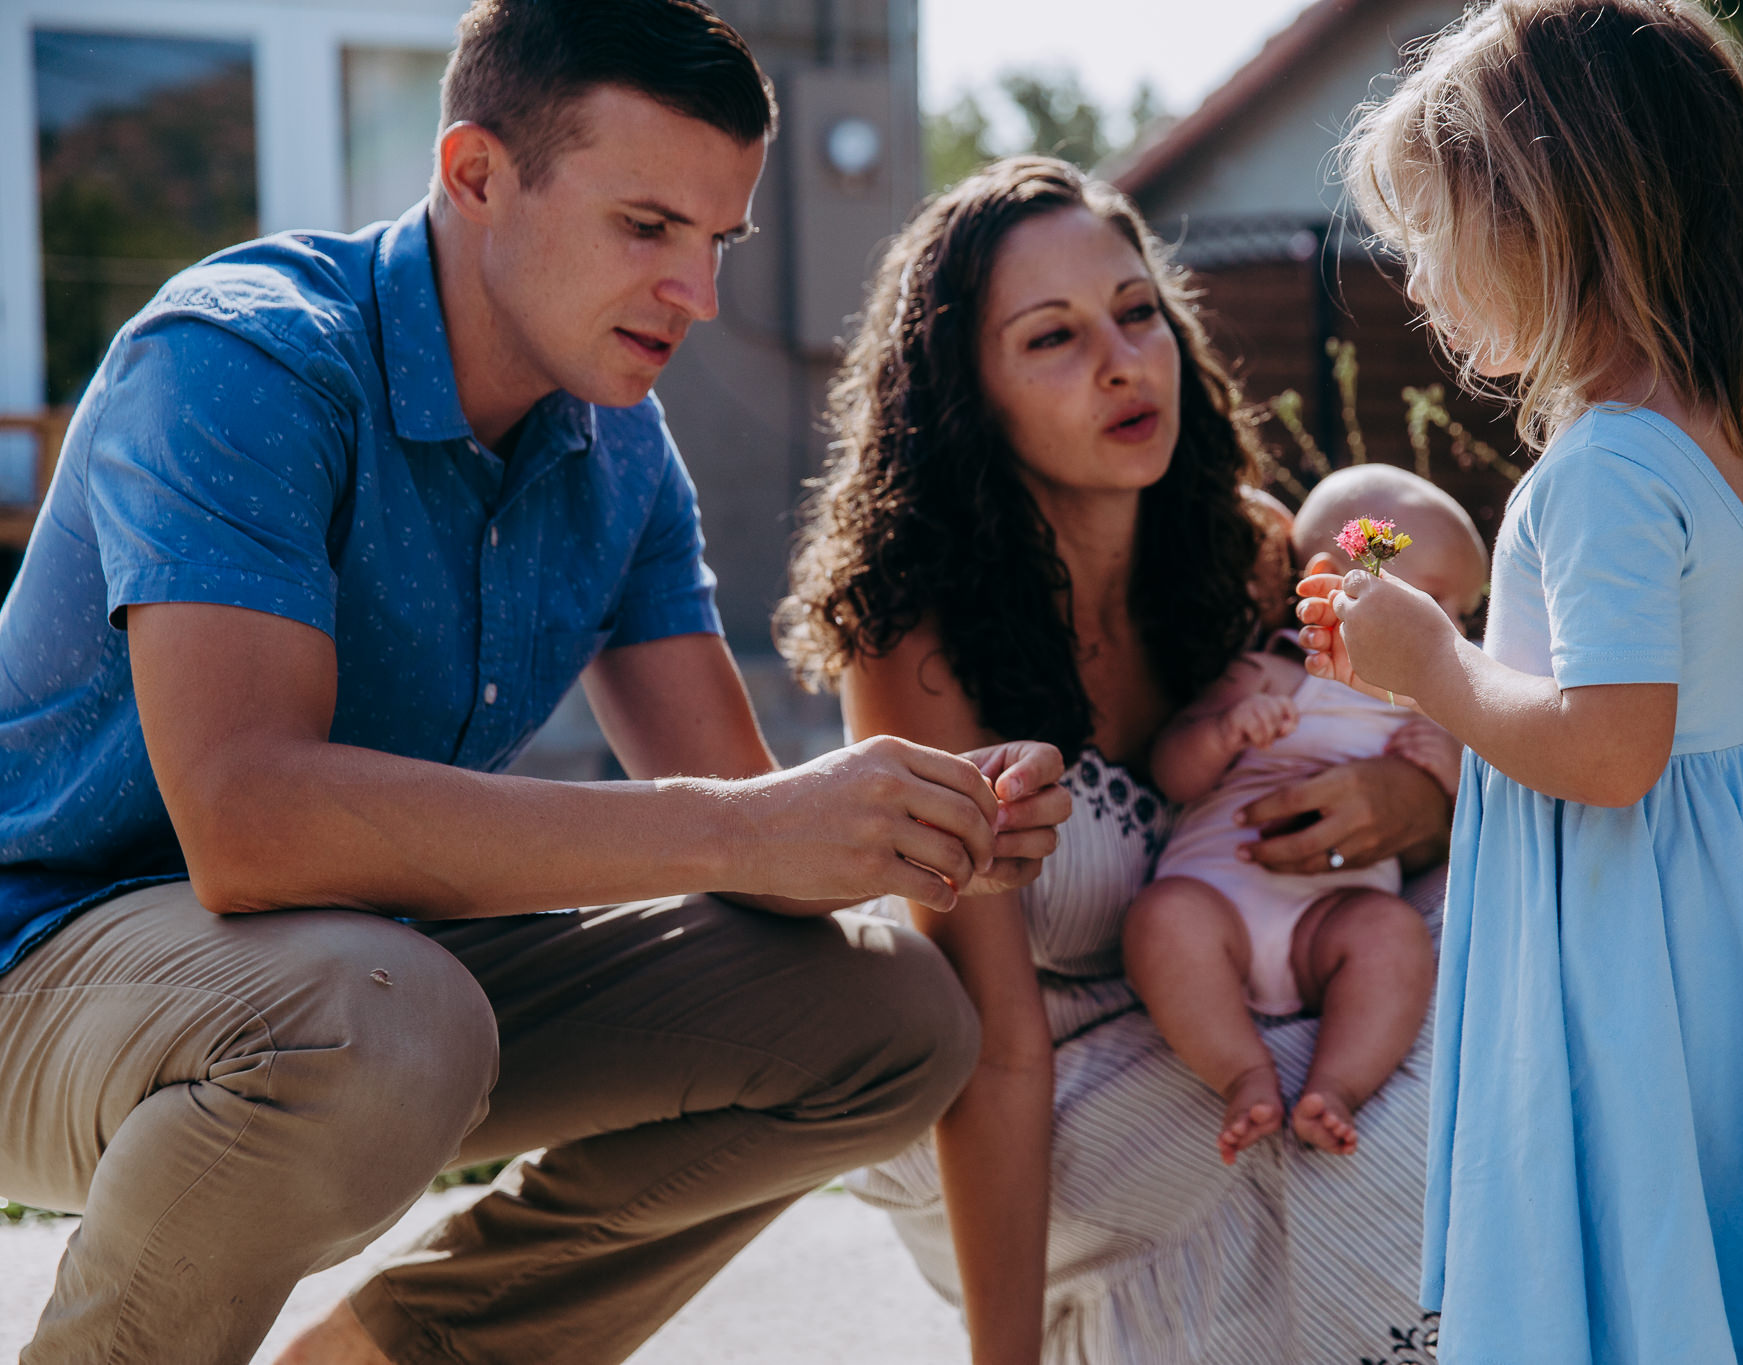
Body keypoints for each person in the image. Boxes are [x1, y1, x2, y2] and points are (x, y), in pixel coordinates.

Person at [0, 4, 1071, 1363]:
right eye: (646, 228)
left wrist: (915, 825)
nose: (700, 295)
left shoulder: (616, 445)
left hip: (357, 969)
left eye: (717, 239)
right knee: (384, 1021)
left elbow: (751, 825)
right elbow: (250, 825)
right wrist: (746, 828)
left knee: (894, 1016)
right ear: (473, 175)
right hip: (41, 965)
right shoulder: (242, 359)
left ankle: (386, 1355)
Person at [1298, 2, 1743, 1359]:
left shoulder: (1608, 469)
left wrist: (1429, 659)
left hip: (1636, 933)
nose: (1424, 279)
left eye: (1441, 232)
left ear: (1561, 220)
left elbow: (1611, 750)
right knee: (1715, 1282)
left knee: (1645, 1281)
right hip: (1718, 900)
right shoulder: (1714, 438)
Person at [777, 156, 1455, 1365]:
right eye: (1051, 338)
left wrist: (1406, 804)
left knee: (1507, 963)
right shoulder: (917, 646)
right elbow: (992, 1042)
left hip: (1241, 994)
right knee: (1377, 1123)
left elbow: (1389, 722)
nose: (1120, 361)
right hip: (1031, 1078)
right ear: (965, 393)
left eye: (1136, 313)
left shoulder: (1243, 551)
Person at [1125, 465, 1485, 1165]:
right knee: (1160, 919)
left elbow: (1479, 812)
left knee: (1393, 935)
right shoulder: (1266, 674)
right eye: (1435, 603)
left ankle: (1337, 1086)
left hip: (1332, 918)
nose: (1454, 633)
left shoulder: (1436, 709)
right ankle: (1242, 1072)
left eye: (1465, 616)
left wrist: (1452, 771)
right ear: (1331, 580)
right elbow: (1169, 770)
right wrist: (1224, 732)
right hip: (1218, 900)